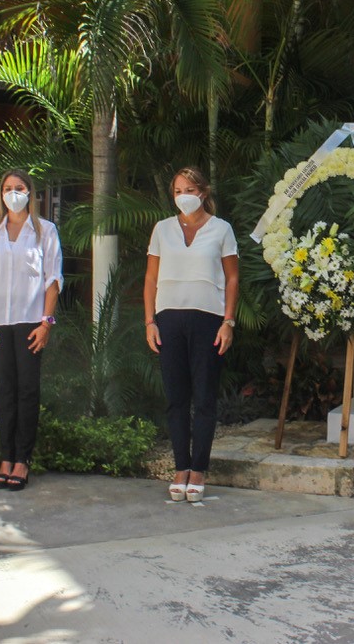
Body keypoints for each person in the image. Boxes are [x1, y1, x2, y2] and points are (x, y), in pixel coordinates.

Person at [143, 167, 238, 504]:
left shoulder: (221, 229)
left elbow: (231, 279)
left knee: (205, 397)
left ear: (202, 191)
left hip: (208, 320)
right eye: (177, 190)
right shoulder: (162, 229)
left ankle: (198, 469)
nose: (183, 195)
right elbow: (151, 279)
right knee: (176, 398)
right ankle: (180, 466)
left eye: (189, 189)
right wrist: (149, 322)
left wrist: (228, 322)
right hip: (168, 319)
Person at [0, 170, 62, 492]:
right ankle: (5, 458)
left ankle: (22, 460)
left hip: (30, 324)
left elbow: (53, 282)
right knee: (5, 393)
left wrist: (45, 325)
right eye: (8, 188)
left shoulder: (45, 232)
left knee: (27, 392)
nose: (14, 193)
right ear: (1, 194)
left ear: (30, 193)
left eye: (19, 188)